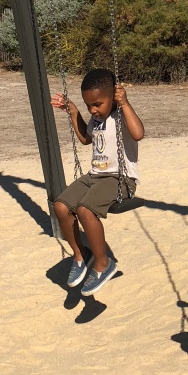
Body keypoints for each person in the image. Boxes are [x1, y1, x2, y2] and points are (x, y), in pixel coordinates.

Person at [51, 68, 144, 296]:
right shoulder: (96, 118)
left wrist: (125, 103)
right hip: (94, 176)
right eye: (88, 105)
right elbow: (85, 139)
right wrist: (73, 112)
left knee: (85, 210)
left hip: (120, 178)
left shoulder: (121, 115)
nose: (93, 110)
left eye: (98, 104)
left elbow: (138, 133)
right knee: (61, 207)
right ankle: (82, 254)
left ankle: (103, 264)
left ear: (113, 96)